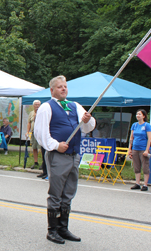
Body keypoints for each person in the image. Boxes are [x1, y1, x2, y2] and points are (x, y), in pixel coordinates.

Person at [34, 75, 95, 244]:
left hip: (74, 155)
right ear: (52, 90)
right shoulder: (47, 107)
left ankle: (63, 228)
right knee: (56, 194)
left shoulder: (74, 105)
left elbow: (88, 126)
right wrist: (55, 145)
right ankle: (52, 230)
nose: (63, 89)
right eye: (59, 87)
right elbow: (40, 133)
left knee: (68, 193)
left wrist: (87, 121)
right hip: (58, 156)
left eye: (65, 86)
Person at [127, 109, 151, 191]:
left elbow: (149, 139)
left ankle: (145, 184)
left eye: (139, 114)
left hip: (143, 149)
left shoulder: (146, 125)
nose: (138, 115)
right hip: (135, 148)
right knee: (136, 167)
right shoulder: (134, 125)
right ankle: (137, 183)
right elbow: (131, 137)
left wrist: (147, 150)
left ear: (144, 116)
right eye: (137, 114)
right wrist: (130, 148)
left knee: (145, 167)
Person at [27, 100, 41, 169]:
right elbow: (29, 122)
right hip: (33, 132)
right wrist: (27, 131)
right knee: (34, 147)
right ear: (33, 105)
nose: (37, 106)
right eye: (36, 104)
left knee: (41, 148)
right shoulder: (31, 113)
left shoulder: (42, 112)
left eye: (38, 104)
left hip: (40, 133)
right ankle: (35, 162)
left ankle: (44, 163)